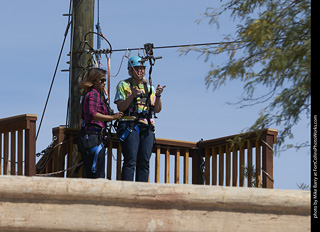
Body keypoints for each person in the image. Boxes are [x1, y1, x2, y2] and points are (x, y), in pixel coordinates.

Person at [114, 56, 166, 182]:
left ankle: (141, 190)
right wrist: (132, 96)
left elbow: (157, 109)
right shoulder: (124, 85)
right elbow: (121, 107)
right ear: (131, 71)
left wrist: (158, 95)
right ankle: (127, 190)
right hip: (129, 124)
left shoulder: (149, 87)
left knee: (144, 161)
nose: (140, 71)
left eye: (142, 69)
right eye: (137, 69)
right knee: (130, 160)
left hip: (146, 125)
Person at [78, 68, 123, 178]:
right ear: (93, 81)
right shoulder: (93, 95)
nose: (104, 83)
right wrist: (113, 117)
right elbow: (93, 113)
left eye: (105, 80)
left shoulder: (96, 95)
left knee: (94, 173)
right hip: (93, 138)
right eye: (102, 80)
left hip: (93, 137)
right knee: (97, 175)